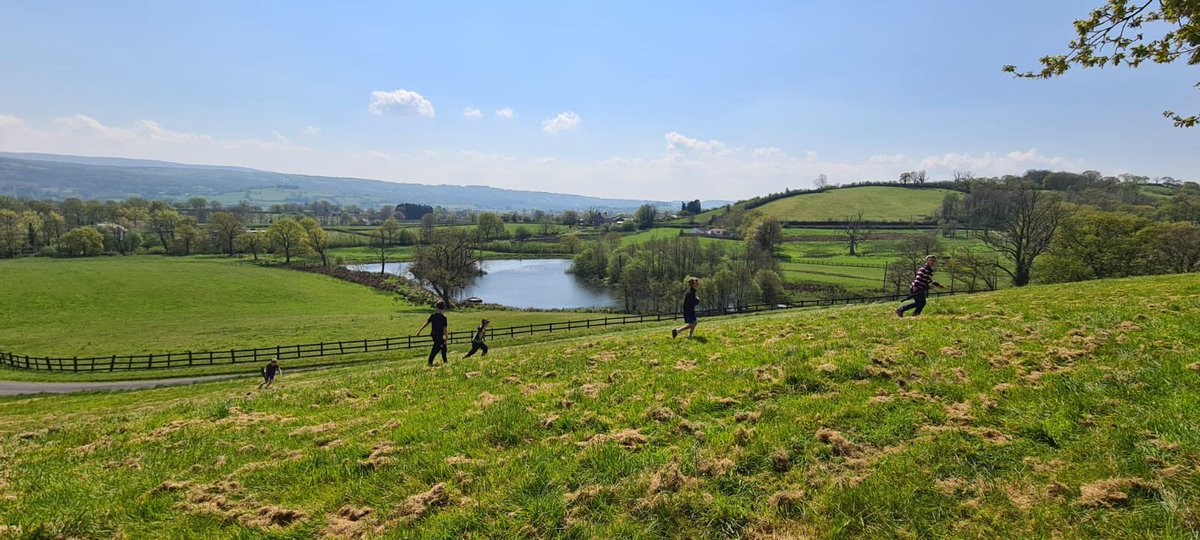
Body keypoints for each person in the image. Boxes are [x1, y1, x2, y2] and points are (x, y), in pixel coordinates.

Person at [417, 300, 450, 366]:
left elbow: (426, 323)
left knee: (443, 347)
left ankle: (445, 361)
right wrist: (446, 337)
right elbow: (444, 329)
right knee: (437, 348)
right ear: (444, 308)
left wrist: (419, 330)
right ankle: (430, 362)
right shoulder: (444, 318)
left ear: (436, 307)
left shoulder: (433, 316)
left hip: (434, 334)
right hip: (439, 335)